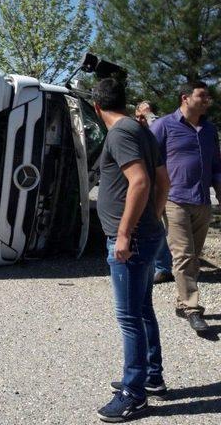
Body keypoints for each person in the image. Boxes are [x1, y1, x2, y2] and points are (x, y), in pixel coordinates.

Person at [93, 78, 170, 422]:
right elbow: (163, 180)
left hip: (133, 239)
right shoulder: (142, 132)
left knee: (129, 318)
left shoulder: (120, 133)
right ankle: (150, 376)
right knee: (142, 309)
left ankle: (133, 394)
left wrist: (124, 234)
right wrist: (154, 214)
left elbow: (140, 180)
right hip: (146, 233)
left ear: (97, 107)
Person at [150, 81, 220, 333]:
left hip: (202, 201)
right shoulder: (164, 126)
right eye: (202, 96)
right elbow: (149, 161)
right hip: (175, 199)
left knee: (194, 257)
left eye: (208, 97)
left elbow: (216, 168)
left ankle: (181, 302)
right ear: (185, 98)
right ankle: (192, 308)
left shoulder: (210, 130)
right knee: (184, 255)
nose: (207, 100)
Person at [134, 101, 174, 283]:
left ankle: (164, 267)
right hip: (147, 183)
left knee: (158, 225)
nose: (141, 113)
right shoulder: (135, 128)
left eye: (145, 109)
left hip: (162, 183)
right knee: (153, 225)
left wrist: (149, 114)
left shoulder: (160, 125)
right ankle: (161, 265)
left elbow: (155, 128)